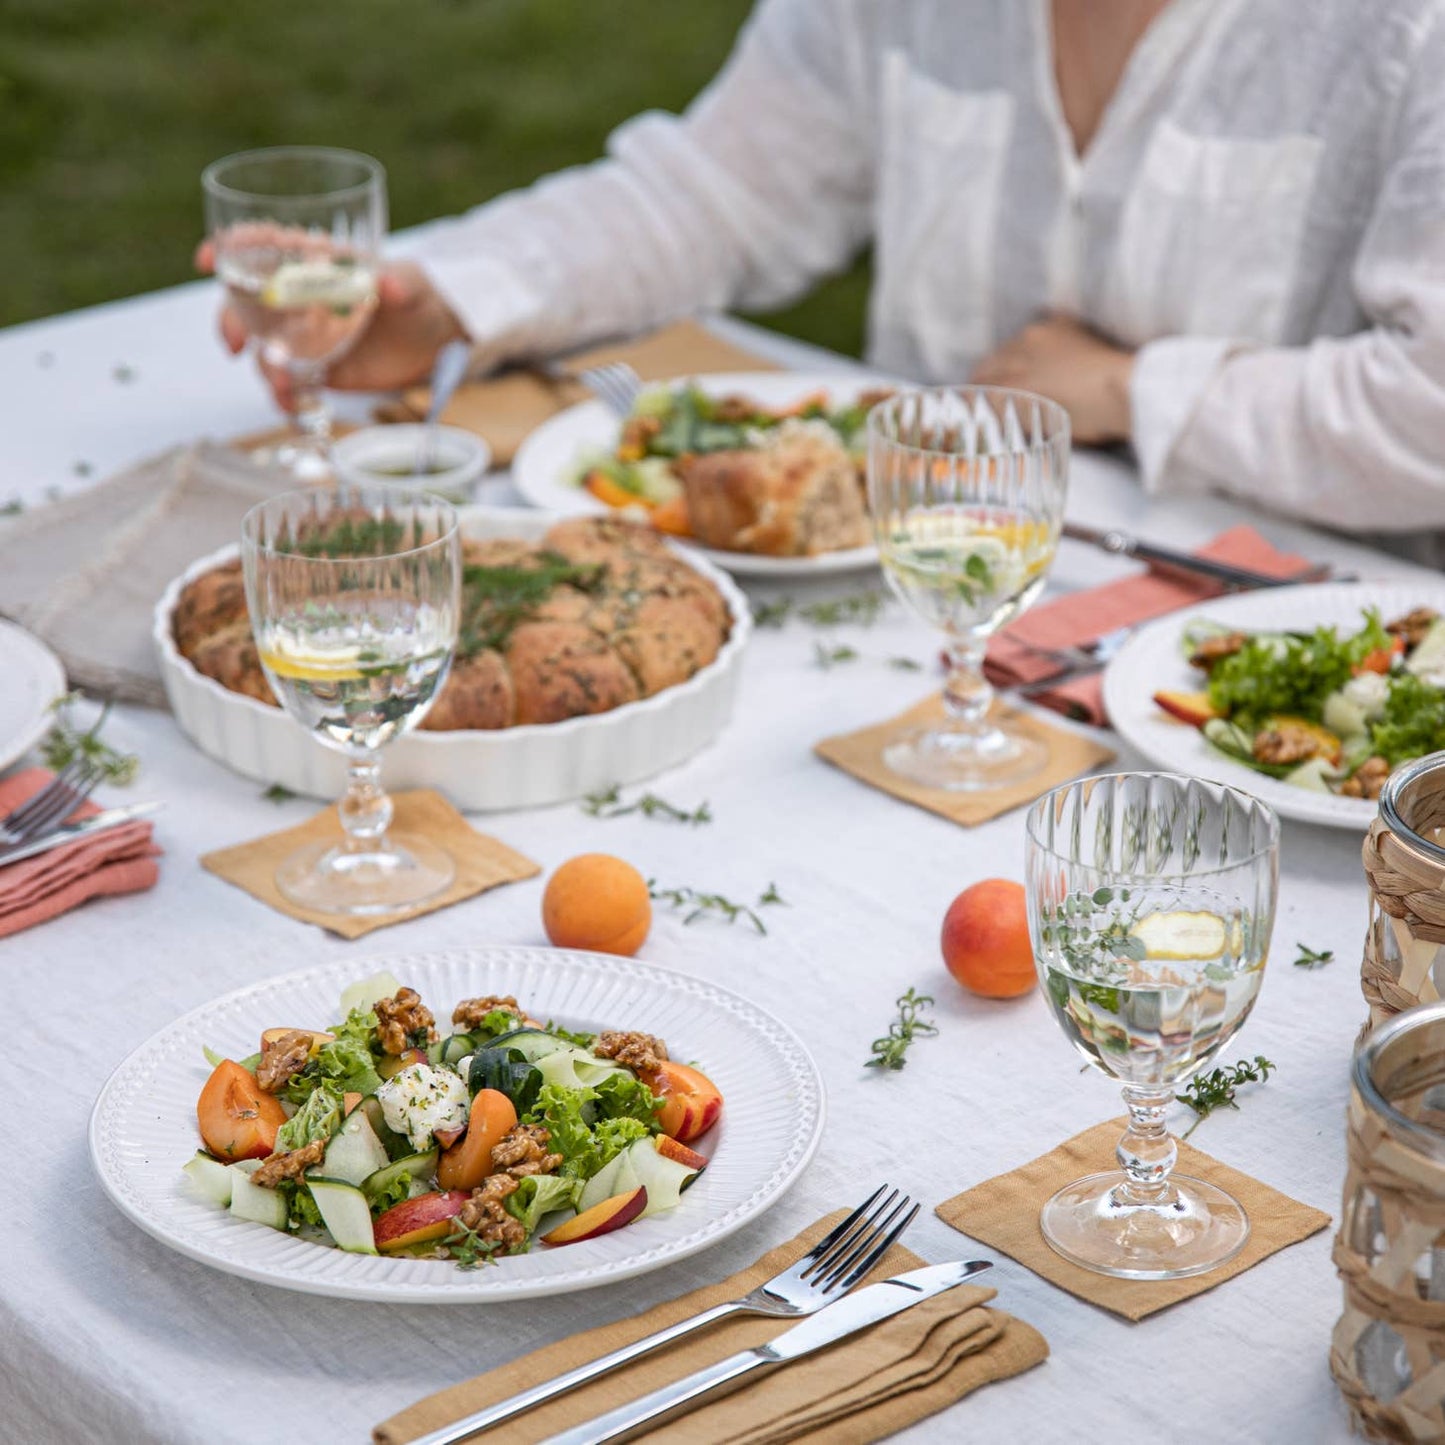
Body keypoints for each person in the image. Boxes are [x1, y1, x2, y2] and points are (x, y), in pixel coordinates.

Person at [209, 0, 1445, 536]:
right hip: (901, 606)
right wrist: (445, 300)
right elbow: (710, 193)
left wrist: (1139, 392)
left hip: (1276, 660)